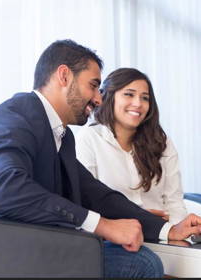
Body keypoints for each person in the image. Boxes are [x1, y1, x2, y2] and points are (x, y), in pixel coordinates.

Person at [0, 39, 201, 278]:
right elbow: (6, 191)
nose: (99, 99)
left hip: (22, 242)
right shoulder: (15, 117)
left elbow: (96, 195)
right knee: (139, 264)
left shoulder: (60, 134)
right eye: (93, 86)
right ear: (64, 76)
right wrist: (103, 225)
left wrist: (167, 230)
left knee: (138, 259)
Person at [76, 68, 188, 225]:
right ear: (109, 97)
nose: (138, 104)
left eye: (145, 98)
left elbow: (175, 202)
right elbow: (87, 203)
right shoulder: (89, 138)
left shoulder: (162, 142)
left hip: (163, 235)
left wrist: (176, 232)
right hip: (113, 238)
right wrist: (140, 218)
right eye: (129, 94)